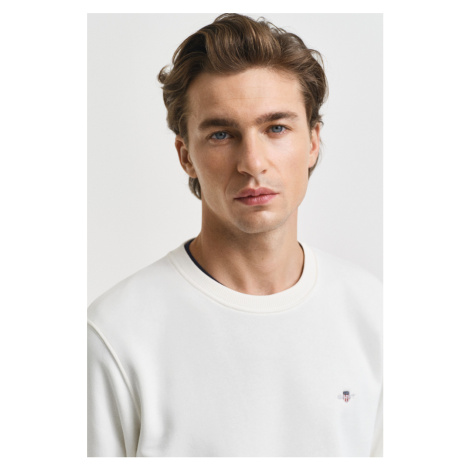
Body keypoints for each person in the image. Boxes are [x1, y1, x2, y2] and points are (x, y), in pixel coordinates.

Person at [87, 13, 382, 457]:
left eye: (276, 128)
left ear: (313, 142)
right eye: (222, 134)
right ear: (186, 156)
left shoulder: (375, 316)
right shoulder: (116, 334)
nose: (253, 162)